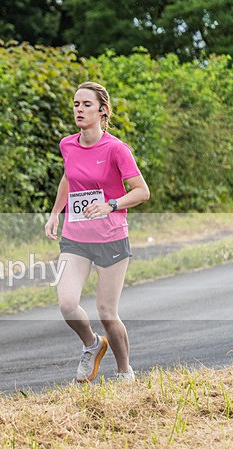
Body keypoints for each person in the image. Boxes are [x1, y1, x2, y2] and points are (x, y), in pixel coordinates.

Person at [45, 82, 150, 383]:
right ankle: (92, 344)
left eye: (86, 105)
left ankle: (124, 373)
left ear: (102, 110)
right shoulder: (68, 144)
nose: (79, 109)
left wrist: (111, 205)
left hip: (111, 237)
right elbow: (68, 177)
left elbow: (142, 191)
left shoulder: (117, 148)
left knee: (106, 311)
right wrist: (55, 213)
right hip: (76, 236)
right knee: (66, 303)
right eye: (76, 104)